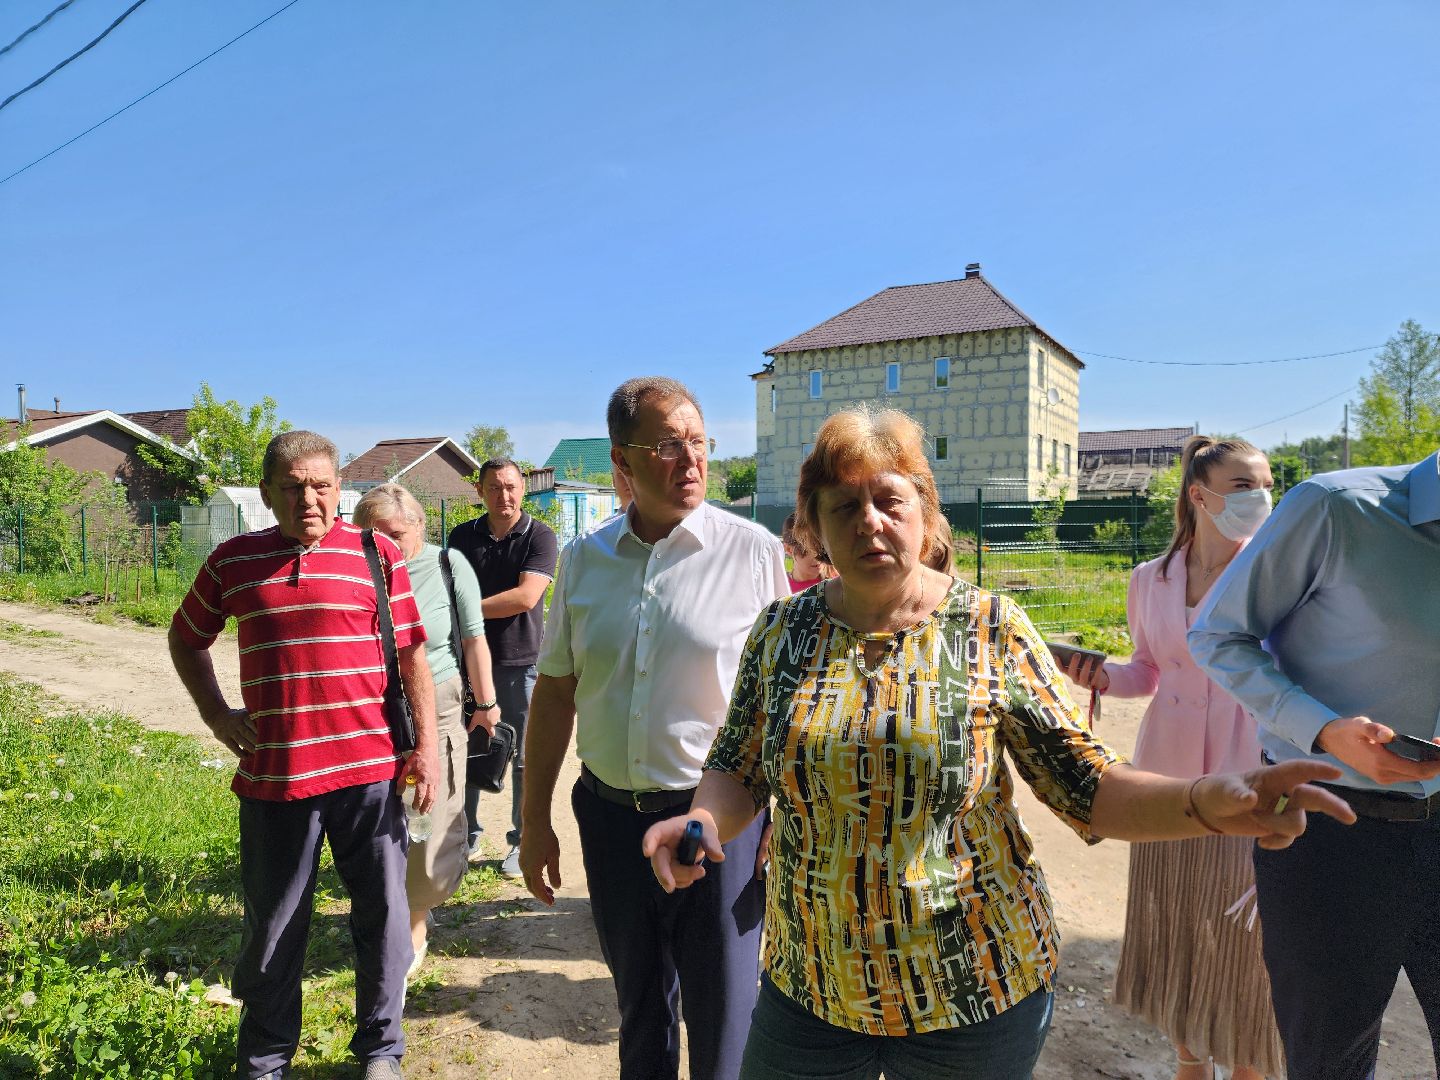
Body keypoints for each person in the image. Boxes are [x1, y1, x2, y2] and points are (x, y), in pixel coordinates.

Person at [642, 407, 1354, 1080]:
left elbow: (1085, 783)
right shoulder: (783, 632)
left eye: (889, 501)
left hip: (973, 992)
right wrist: (704, 820)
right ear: (815, 527)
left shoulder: (989, 627)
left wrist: (1208, 802)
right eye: (843, 506)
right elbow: (736, 766)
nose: (869, 523)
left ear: (924, 513)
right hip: (813, 988)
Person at [520, 376, 789, 1080]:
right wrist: (536, 819)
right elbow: (554, 696)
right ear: (623, 461)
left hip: (717, 827)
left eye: (698, 442)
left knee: (724, 1020)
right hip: (610, 822)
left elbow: (784, 704)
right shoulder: (583, 561)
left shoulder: (753, 554)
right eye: (669, 445)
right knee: (640, 1012)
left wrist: (785, 818)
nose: (691, 459)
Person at [168, 431, 439, 1080]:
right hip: (276, 781)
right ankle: (264, 1061)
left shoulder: (376, 555)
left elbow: (411, 658)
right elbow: (186, 637)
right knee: (274, 931)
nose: (308, 499)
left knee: (384, 921)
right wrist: (214, 713)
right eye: (292, 487)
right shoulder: (233, 562)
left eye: (320, 485)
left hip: (369, 777)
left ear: (339, 488)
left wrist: (426, 748)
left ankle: (381, 1052)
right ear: (267, 493)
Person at [1189, 448, 1440, 1080]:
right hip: (1333, 832)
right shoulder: (1335, 507)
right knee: (1331, 1062)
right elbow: (1218, 636)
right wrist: (1324, 731)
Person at [1063, 435, 1280, 1080]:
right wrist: (1101, 677)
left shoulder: (1276, 568)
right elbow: (1150, 673)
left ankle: (1247, 1064)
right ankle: (1190, 1059)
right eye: (1243, 485)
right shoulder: (1148, 580)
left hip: (1254, 766)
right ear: (1199, 495)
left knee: (1248, 930)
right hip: (1167, 772)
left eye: (1265, 483)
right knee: (1178, 919)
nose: (1260, 497)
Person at [353, 483, 501, 977]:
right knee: (375, 808)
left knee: (428, 808)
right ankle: (384, 904)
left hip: (435, 701)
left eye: (397, 534)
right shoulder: (353, 564)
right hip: (367, 706)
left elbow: (474, 639)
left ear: (419, 528)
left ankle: (416, 918)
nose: (386, 545)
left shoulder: (447, 565)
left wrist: (487, 704)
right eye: (374, 535)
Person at [447, 457, 559, 878]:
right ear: (480, 491)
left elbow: (526, 597)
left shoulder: (540, 536)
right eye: (494, 487)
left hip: (519, 663)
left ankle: (520, 841)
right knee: (464, 748)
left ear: (523, 488)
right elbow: (447, 588)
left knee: (523, 758)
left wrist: (464, 611)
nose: (504, 495)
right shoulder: (462, 537)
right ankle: (465, 834)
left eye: (511, 486)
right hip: (464, 665)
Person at [781, 512, 829, 592]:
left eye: (822, 546)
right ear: (788, 549)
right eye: (808, 548)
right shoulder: (780, 588)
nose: (818, 554)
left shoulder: (841, 585)